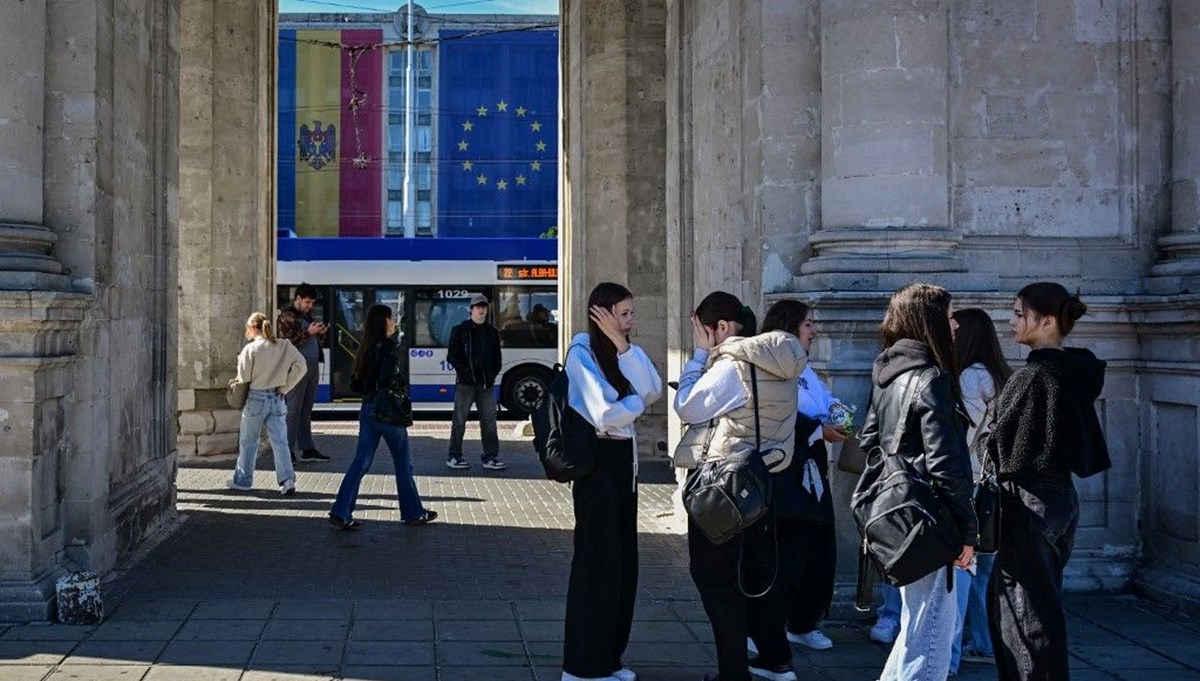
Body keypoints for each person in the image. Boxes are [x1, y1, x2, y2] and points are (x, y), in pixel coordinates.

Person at [673, 291, 805, 681]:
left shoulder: (733, 365)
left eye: (703, 331)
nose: (702, 338)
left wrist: (698, 357)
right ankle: (770, 660)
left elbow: (688, 406)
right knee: (749, 578)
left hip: (726, 487)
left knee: (714, 580)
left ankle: (733, 673)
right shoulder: (781, 361)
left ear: (722, 328)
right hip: (765, 482)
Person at [987, 282, 1109, 681]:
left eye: (1019, 314)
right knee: (1041, 608)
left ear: (1048, 321)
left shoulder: (1035, 376)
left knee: (1025, 620)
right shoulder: (1077, 370)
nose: (1011, 322)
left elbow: (1001, 446)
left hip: (1028, 501)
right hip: (1061, 500)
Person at [858, 283, 976, 681]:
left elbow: (869, 444)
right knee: (930, 643)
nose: (955, 325)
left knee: (914, 630)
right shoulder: (931, 379)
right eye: (948, 316)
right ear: (930, 322)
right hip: (931, 518)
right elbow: (947, 465)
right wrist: (968, 531)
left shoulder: (888, 375)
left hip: (898, 515)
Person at [561, 282, 662, 681]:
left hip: (624, 465)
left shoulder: (620, 352)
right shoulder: (581, 353)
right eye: (623, 314)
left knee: (622, 566)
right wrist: (635, 406)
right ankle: (582, 666)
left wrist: (623, 348)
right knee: (596, 566)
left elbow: (652, 385)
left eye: (631, 313)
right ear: (600, 314)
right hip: (599, 469)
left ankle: (608, 658)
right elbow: (604, 414)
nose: (630, 321)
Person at [759, 300, 844, 653]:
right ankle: (767, 627)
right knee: (787, 552)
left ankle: (803, 620)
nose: (813, 331)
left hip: (814, 467)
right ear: (790, 327)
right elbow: (779, 416)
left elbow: (825, 400)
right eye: (808, 324)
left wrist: (838, 415)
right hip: (786, 470)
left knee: (818, 548)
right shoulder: (771, 369)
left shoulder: (805, 369)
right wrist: (818, 430)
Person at [328, 304, 436, 530]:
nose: (395, 321)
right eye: (392, 318)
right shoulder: (388, 348)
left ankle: (341, 510)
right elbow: (390, 379)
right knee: (402, 462)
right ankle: (413, 512)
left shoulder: (364, 348)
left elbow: (355, 384)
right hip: (388, 413)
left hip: (368, 410)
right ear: (384, 321)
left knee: (361, 461)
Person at [948, 308, 1011, 674]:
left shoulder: (970, 378)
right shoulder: (999, 375)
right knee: (985, 571)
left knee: (961, 573)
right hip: (992, 486)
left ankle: (951, 657)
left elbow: (963, 437)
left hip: (971, 484)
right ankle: (985, 642)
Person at [227, 312, 308, 496]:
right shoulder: (284, 345)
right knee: (280, 442)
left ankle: (243, 481)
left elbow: (244, 378)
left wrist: (240, 361)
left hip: (256, 398)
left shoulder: (251, 349)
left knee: (249, 442)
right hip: (277, 398)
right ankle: (287, 480)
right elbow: (301, 365)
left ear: (252, 328)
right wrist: (285, 387)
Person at [445, 293, 505, 471]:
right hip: (465, 384)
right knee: (459, 420)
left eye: (484, 306)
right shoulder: (460, 330)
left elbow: (497, 359)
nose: (481, 309)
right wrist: (465, 373)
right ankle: (454, 456)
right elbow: (452, 356)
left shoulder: (492, 332)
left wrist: (491, 375)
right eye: (478, 306)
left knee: (489, 421)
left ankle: (490, 457)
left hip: (486, 385)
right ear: (471, 310)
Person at [282, 283, 331, 463]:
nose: (310, 306)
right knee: (293, 410)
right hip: (296, 369)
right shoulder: (287, 317)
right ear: (298, 299)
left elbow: (310, 339)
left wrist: (320, 333)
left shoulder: (306, 316)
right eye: (307, 302)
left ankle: (307, 448)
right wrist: (308, 332)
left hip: (311, 367)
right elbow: (286, 343)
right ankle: (287, 450)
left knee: (306, 410)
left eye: (311, 303)